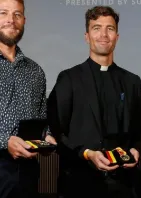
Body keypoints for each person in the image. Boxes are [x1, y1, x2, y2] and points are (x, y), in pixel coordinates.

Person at [47, 6, 141, 198]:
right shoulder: (69, 79)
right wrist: (86, 153)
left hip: (123, 186)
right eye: (96, 28)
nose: (103, 34)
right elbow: (57, 132)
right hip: (79, 184)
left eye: (110, 28)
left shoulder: (132, 81)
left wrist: (136, 150)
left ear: (117, 37)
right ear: (87, 36)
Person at [0, 0, 56, 198]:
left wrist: (45, 137)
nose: (11, 20)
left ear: (24, 20)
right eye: (3, 13)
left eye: (17, 14)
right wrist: (5, 141)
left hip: (27, 173)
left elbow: (40, 117)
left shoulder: (35, 71)